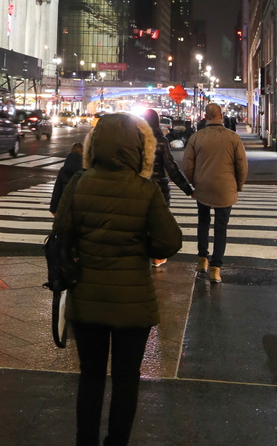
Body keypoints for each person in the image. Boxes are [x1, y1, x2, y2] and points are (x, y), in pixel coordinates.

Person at [53, 112, 182, 446]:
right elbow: (170, 241)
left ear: (95, 146)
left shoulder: (79, 183)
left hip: (88, 297)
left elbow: (61, 232)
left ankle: (86, 441)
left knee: (91, 376)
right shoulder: (145, 190)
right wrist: (142, 246)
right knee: (126, 379)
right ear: (139, 149)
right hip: (133, 302)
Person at [182, 101, 248, 284]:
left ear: (205, 117)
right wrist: (238, 185)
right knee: (221, 227)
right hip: (225, 187)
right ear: (221, 116)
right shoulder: (233, 137)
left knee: (203, 222)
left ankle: (202, 259)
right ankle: (215, 268)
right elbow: (241, 165)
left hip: (203, 186)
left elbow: (187, 165)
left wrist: (194, 182)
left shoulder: (196, 137)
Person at [142, 107, 195, 267]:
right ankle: (157, 257)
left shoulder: (136, 139)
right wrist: (187, 189)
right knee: (158, 224)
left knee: (140, 222)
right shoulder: (161, 140)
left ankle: (140, 255)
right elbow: (171, 167)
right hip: (159, 189)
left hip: (139, 187)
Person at [49, 142, 84, 214]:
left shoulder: (63, 170)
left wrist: (53, 209)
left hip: (65, 207)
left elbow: (57, 191)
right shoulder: (86, 170)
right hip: (81, 207)